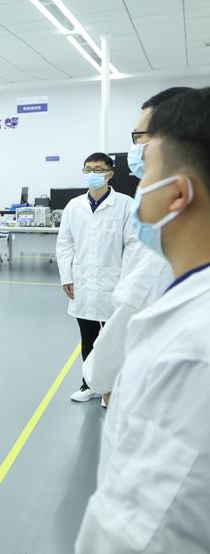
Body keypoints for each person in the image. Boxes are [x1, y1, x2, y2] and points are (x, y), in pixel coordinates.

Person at [76, 86, 210, 554]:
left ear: (177, 194)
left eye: (147, 167)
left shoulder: (193, 353)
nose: (138, 186)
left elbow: (146, 528)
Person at [83, 87, 192, 406]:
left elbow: (106, 364)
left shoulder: (163, 247)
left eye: (140, 136)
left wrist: (100, 377)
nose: (136, 147)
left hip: (151, 401)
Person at [56, 153, 135, 402]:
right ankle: (89, 385)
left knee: (113, 340)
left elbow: (133, 245)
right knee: (87, 338)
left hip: (114, 282)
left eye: (98, 169)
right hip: (83, 282)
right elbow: (65, 243)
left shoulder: (126, 205)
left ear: (110, 174)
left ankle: (111, 390)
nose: (92, 173)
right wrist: (66, 276)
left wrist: (127, 280)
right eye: (88, 169)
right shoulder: (74, 206)